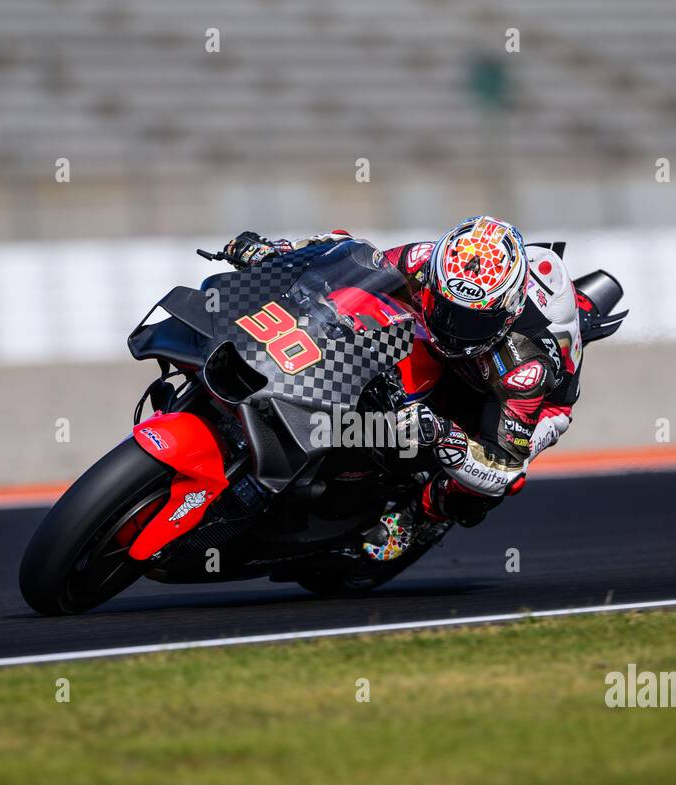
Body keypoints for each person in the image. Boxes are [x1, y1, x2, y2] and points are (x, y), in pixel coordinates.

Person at [223, 216, 583, 560]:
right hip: (451, 354)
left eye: (472, 321)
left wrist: (445, 436)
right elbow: (349, 257)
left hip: (526, 401)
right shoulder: (423, 261)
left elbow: (503, 466)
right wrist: (279, 253)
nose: (453, 329)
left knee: (489, 487)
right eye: (446, 310)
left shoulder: (525, 368)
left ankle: (420, 517)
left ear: (507, 314)